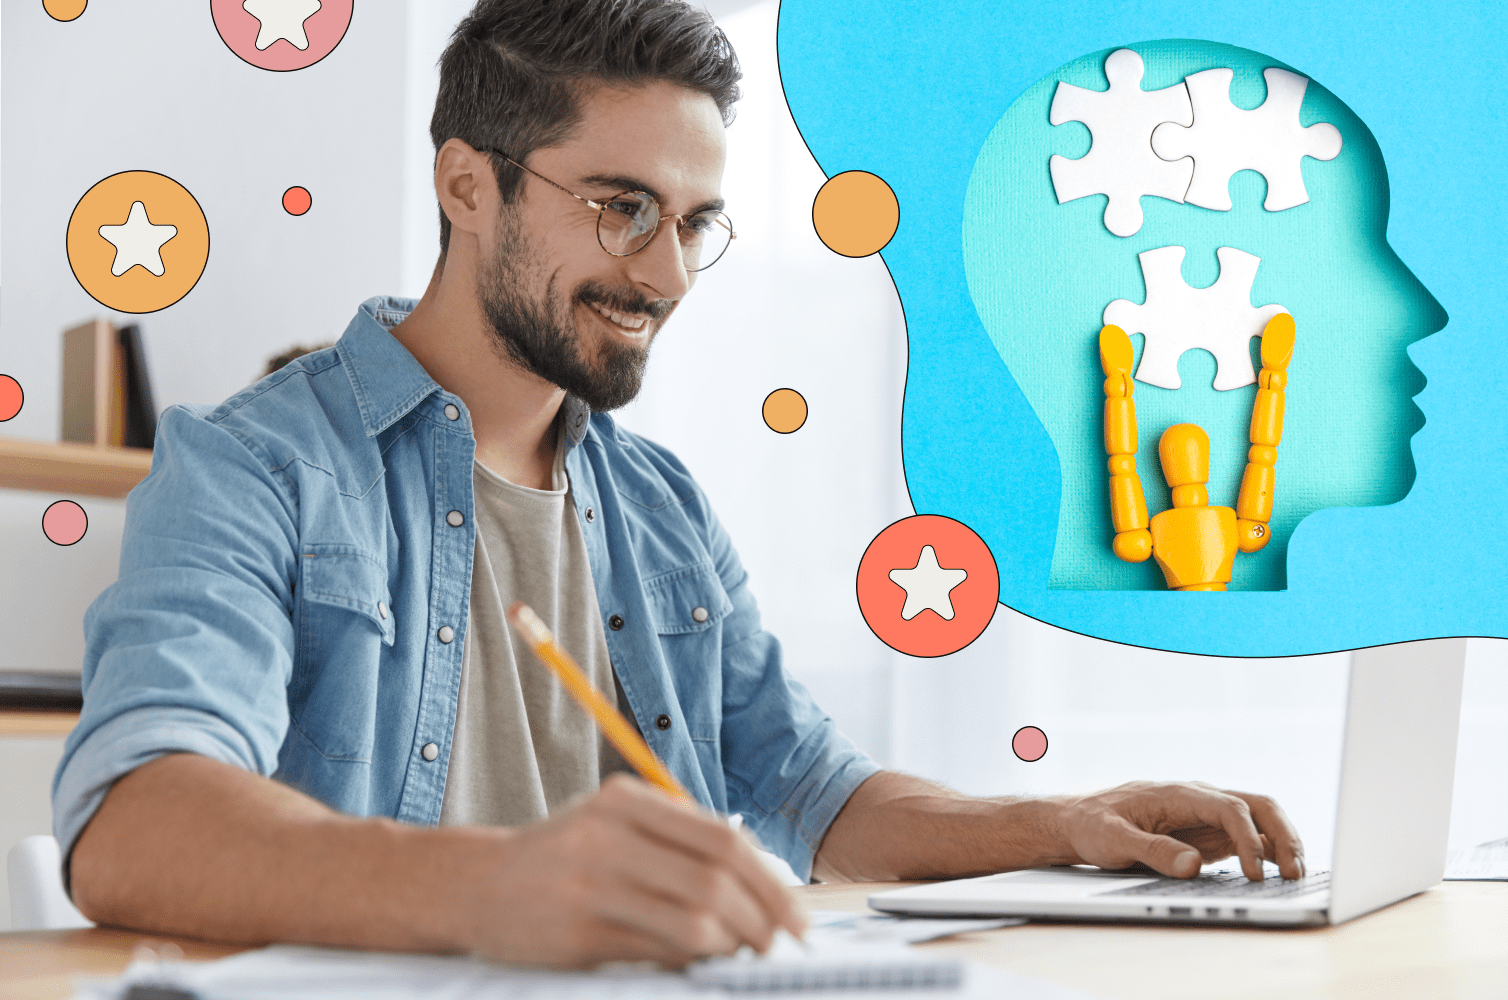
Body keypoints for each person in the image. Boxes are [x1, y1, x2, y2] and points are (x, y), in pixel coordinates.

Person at [53, 0, 1305, 969]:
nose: (664, 275)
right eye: (619, 207)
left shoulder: (658, 505)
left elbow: (822, 798)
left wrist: (1064, 821)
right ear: (464, 185)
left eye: (693, 222)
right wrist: (496, 887)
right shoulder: (251, 465)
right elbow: (134, 823)